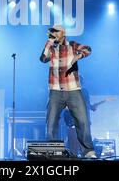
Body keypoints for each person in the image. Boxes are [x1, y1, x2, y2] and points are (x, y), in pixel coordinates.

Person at [40, 25, 96, 158]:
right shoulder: (51, 48)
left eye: (55, 31)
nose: (52, 33)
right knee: (51, 121)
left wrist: (79, 56)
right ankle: (53, 151)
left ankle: (88, 151)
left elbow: (88, 49)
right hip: (55, 90)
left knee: (82, 120)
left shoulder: (72, 45)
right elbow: (43, 59)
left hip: (73, 89)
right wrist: (49, 42)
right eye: (51, 32)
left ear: (63, 33)